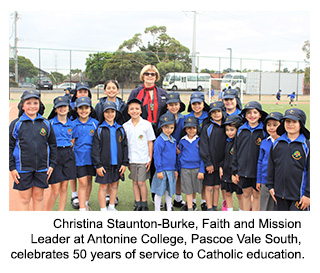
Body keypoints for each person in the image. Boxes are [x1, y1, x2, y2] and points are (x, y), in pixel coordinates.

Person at [9, 90, 57, 211]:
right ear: (22, 106)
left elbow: (52, 144)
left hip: (42, 168)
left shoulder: (46, 123)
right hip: (23, 168)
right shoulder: (16, 124)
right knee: (25, 198)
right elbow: (9, 146)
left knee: (39, 197)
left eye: (35, 103)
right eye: (28, 103)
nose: (32, 106)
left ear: (39, 105)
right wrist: (12, 167)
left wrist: (51, 164)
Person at [127, 65, 167, 202]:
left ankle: (155, 196)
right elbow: (130, 111)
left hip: (159, 132)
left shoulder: (163, 93)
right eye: (147, 74)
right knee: (143, 163)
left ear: (156, 76)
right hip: (142, 132)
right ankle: (140, 200)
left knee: (157, 164)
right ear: (142, 76)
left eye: (153, 74)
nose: (150, 76)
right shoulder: (135, 93)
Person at [267, 108, 310, 211]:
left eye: (294, 122)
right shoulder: (277, 143)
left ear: (301, 124)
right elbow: (271, 165)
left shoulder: (306, 146)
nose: (290, 124)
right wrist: (270, 186)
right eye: (288, 121)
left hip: (299, 197)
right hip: (279, 194)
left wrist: (308, 194)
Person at [91, 101, 128, 211]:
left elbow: (125, 147)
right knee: (103, 187)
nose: (110, 114)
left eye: (112, 111)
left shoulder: (120, 129)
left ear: (116, 113)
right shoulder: (100, 129)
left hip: (117, 164)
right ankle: (103, 209)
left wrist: (124, 163)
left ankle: (111, 207)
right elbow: (95, 149)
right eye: (107, 112)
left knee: (114, 185)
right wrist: (98, 165)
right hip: (104, 165)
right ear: (103, 113)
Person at [231, 101, 268, 211]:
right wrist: (235, 171)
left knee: (257, 195)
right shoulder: (241, 130)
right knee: (246, 194)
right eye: (249, 113)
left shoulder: (264, 131)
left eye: (255, 112)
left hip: (257, 171)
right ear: (245, 115)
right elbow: (236, 151)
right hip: (243, 171)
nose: (252, 115)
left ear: (260, 115)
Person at [123, 98, 156, 211]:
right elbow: (125, 144)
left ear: (141, 110)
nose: (134, 111)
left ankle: (144, 203)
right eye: (131, 109)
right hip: (132, 159)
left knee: (141, 182)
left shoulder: (146, 124)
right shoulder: (125, 126)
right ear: (128, 111)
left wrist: (150, 158)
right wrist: (126, 160)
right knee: (135, 182)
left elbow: (150, 142)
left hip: (143, 159)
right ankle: (137, 202)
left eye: (137, 109)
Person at [46, 96, 76, 211]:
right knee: (55, 189)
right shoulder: (50, 123)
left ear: (68, 108)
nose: (62, 109)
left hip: (68, 154)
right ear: (55, 109)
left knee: (64, 187)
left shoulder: (72, 124)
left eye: (64, 106)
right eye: (59, 107)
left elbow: (72, 140)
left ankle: (61, 212)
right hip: (55, 155)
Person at [72, 97, 99, 211]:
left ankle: (85, 203)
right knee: (82, 182)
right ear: (76, 110)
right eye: (81, 108)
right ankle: (82, 208)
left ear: (90, 109)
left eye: (86, 108)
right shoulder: (73, 124)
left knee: (88, 180)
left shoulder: (95, 123)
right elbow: (71, 143)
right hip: (79, 158)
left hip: (91, 158)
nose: (84, 111)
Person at [199, 101, 226, 211]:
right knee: (209, 187)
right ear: (210, 114)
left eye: (218, 111)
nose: (216, 114)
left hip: (221, 165)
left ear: (222, 112)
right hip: (210, 165)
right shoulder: (207, 128)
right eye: (213, 112)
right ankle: (209, 208)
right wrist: (208, 163)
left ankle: (215, 207)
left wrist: (222, 165)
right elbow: (203, 146)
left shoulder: (226, 127)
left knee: (216, 187)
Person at [151, 112, 178, 211]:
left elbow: (174, 157)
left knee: (169, 191)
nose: (169, 130)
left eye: (171, 127)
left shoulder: (174, 140)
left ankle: (169, 208)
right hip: (162, 171)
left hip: (171, 171)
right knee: (159, 191)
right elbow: (156, 156)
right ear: (161, 127)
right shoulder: (159, 140)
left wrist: (175, 169)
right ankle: (157, 210)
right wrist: (159, 170)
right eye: (166, 127)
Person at [257, 112, 283, 211]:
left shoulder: (284, 143)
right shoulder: (264, 142)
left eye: (275, 125)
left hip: (279, 181)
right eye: (269, 125)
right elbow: (260, 161)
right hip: (265, 180)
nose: (271, 128)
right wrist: (259, 180)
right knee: (264, 206)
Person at [178, 116, 205, 211]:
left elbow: (203, 156)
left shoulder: (200, 140)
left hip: (197, 168)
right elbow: (179, 155)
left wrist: (202, 170)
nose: (191, 130)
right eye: (189, 128)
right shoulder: (182, 141)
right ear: (185, 129)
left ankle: (194, 205)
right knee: (188, 190)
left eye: (194, 127)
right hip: (185, 169)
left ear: (197, 128)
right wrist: (179, 169)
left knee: (195, 189)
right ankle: (190, 208)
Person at [165, 92, 186, 208]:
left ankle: (178, 198)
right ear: (167, 106)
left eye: (176, 104)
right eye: (171, 104)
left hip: (181, 152)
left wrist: (180, 148)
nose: (174, 107)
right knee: (169, 176)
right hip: (169, 152)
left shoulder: (184, 118)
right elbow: (163, 136)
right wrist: (173, 148)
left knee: (180, 176)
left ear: (180, 104)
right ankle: (168, 200)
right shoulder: (164, 118)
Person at [220, 115, 243, 211]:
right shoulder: (226, 142)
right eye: (227, 130)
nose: (229, 132)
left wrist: (235, 173)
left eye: (232, 130)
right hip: (226, 172)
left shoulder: (240, 143)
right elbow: (223, 156)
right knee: (228, 193)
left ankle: (242, 211)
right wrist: (221, 167)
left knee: (239, 194)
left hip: (236, 173)